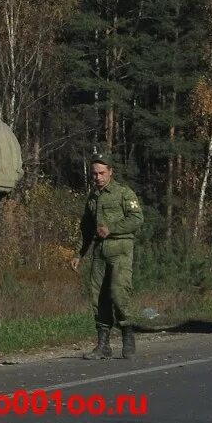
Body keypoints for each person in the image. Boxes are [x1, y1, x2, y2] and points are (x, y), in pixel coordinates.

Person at [71, 154, 144, 359]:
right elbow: (86, 228)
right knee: (98, 297)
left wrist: (112, 229)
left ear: (110, 172)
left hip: (120, 250)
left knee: (118, 293)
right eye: (94, 174)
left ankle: (128, 336)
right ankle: (103, 344)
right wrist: (79, 253)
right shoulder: (93, 197)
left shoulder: (123, 193)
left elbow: (137, 218)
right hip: (99, 252)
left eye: (101, 173)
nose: (97, 177)